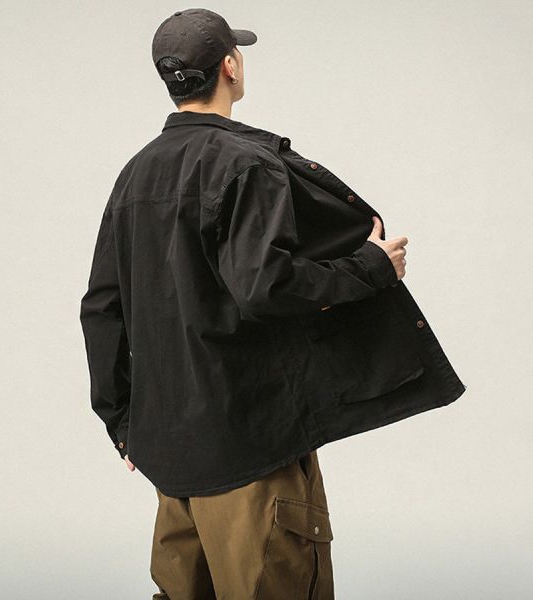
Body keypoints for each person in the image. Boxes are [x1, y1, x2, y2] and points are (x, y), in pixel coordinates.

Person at [79, 8, 466, 600]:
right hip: (251, 452)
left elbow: (101, 308)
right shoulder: (246, 164)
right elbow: (265, 287)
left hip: (172, 461)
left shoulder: (135, 175)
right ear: (230, 67)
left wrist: (123, 424)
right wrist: (371, 268)